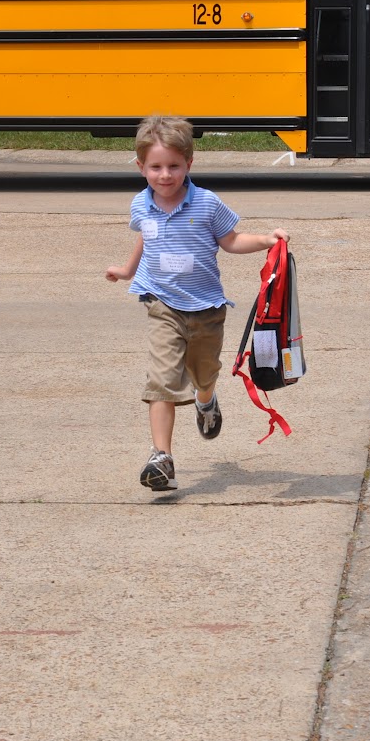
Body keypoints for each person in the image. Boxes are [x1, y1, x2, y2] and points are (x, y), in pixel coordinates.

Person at [104, 116, 289, 491]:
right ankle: (162, 458)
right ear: (141, 167)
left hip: (206, 309)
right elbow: (146, 238)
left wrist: (266, 240)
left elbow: (231, 240)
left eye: (174, 166)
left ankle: (206, 400)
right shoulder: (141, 204)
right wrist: (127, 270)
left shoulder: (206, 203)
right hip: (161, 304)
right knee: (162, 380)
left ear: (189, 163)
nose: (165, 175)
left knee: (203, 375)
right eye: (156, 167)